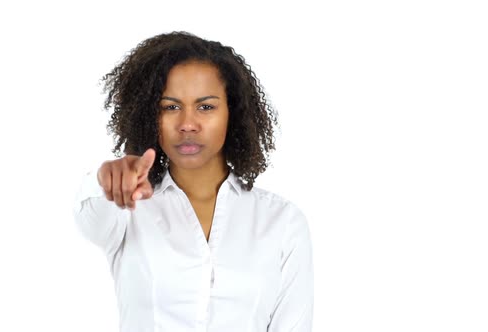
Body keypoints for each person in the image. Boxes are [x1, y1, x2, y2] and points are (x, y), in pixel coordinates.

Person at [73, 31, 314, 332]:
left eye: (206, 107)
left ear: (233, 113)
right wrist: (108, 178)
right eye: (170, 107)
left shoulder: (281, 222)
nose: (187, 124)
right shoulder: (127, 210)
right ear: (151, 116)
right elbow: (89, 215)